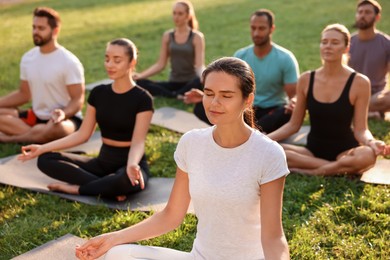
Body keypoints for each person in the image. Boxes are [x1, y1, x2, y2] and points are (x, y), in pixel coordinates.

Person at [75, 57, 290, 260]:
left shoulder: (267, 154)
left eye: (226, 95)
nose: (214, 103)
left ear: (247, 100)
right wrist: (111, 239)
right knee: (117, 255)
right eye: (208, 93)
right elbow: (171, 215)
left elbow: (273, 237)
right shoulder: (192, 143)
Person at [18, 38, 154, 201]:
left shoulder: (143, 98)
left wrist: (132, 164)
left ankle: (78, 189)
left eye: (117, 60)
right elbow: (82, 134)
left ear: (132, 62)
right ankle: (107, 187)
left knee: (126, 180)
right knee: (45, 159)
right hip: (102, 163)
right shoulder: (98, 93)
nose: (110, 64)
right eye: (107, 58)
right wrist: (42, 148)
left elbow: (138, 141)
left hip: (130, 163)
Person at [267, 24, 390, 176]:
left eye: (335, 42)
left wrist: (371, 143)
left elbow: (361, 130)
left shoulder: (360, 82)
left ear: (346, 48)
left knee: (367, 155)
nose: (328, 46)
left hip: (345, 151)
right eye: (324, 42)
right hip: (311, 152)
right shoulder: (306, 79)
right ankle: (334, 169)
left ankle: (316, 171)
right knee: (273, 151)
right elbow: (293, 125)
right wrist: (264, 139)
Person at [0, 7, 84, 143]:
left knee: (58, 129)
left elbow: (78, 100)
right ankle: (38, 135)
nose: (35, 32)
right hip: (35, 117)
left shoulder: (69, 61)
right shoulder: (28, 58)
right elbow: (24, 94)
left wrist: (63, 114)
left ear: (55, 30)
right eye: (34, 27)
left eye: (41, 28)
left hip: (64, 120)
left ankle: (10, 138)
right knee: (40, 130)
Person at [234, 9, 300, 133]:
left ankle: (247, 132)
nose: (256, 33)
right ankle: (255, 132)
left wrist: (294, 102)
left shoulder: (285, 58)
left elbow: (294, 95)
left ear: (272, 29)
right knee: (202, 107)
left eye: (261, 28)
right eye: (253, 28)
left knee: (286, 113)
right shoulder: (240, 56)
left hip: (274, 110)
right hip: (248, 109)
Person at [133, 0, 205, 98]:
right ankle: (176, 95)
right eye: (174, 13)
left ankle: (173, 94)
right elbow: (160, 64)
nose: (176, 17)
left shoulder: (197, 37)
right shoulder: (167, 36)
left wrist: (205, 78)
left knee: (198, 81)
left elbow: (199, 66)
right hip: (173, 82)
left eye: (180, 14)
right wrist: (141, 76)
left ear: (188, 15)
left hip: (191, 82)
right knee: (141, 82)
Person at [349, 0, 390, 119]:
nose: (362, 15)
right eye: (360, 12)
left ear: (377, 17)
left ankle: (357, 111)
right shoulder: (347, 43)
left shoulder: (386, 44)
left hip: (376, 96)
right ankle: (368, 112)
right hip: (351, 93)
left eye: (367, 12)